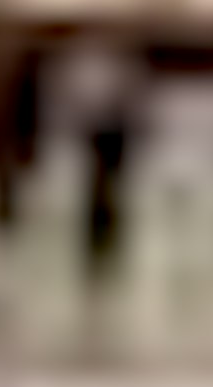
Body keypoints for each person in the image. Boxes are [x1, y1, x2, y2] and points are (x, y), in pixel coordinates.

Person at [64, 32, 152, 299]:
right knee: (99, 193)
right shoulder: (91, 62)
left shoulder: (117, 65)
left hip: (111, 135)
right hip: (100, 137)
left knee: (109, 193)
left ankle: (105, 247)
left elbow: (132, 101)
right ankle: (98, 249)